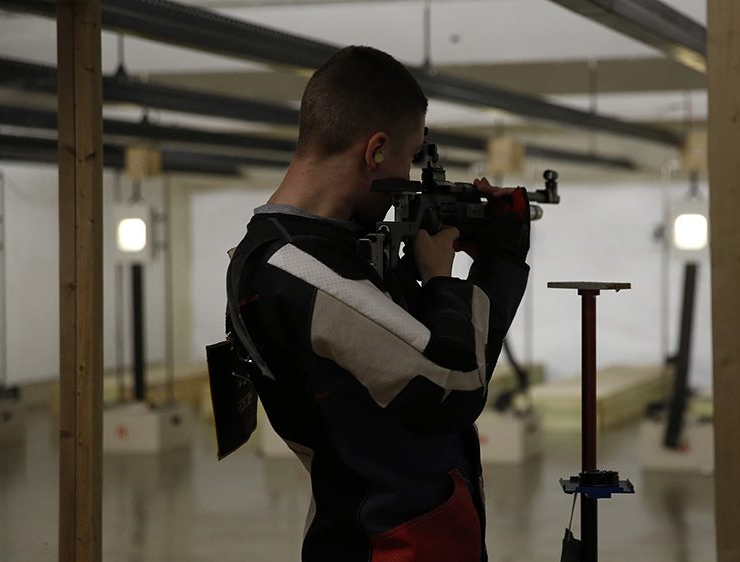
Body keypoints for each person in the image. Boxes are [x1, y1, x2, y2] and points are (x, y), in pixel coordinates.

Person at [225, 45, 530, 561]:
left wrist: (500, 259)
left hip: (416, 534)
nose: (408, 181)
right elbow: (451, 388)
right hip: (382, 545)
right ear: (375, 151)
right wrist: (437, 278)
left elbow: (459, 364)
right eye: (410, 160)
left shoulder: (331, 252)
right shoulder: (302, 271)